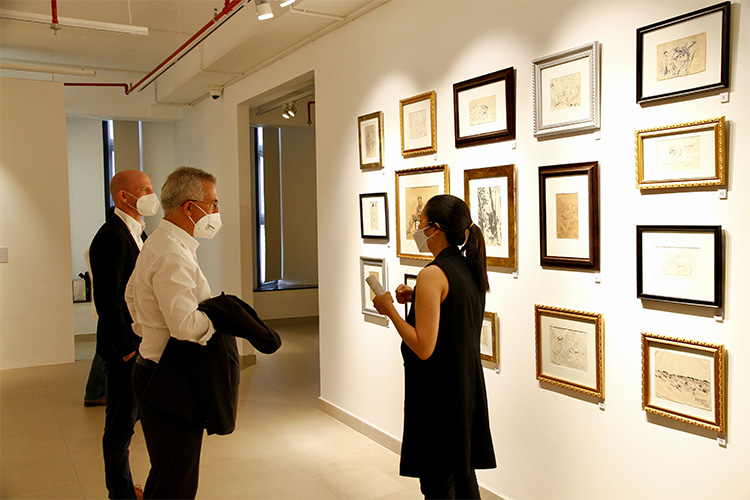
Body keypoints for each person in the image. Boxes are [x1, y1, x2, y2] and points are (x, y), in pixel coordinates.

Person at [373, 194, 496, 499]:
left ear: (436, 229)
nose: (418, 228)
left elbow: (423, 346)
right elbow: (453, 312)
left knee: (438, 484)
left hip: (438, 396)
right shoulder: (469, 268)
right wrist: (417, 296)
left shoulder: (432, 273)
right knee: (464, 478)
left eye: (421, 222)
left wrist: (389, 309)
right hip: (465, 388)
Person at [127, 166, 223, 499]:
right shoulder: (171, 252)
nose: (216, 211)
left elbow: (130, 296)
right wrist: (219, 318)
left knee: (166, 470)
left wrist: (147, 329)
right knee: (177, 481)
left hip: (155, 368)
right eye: (212, 203)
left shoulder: (160, 242)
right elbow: (185, 326)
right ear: (189, 207)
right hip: (168, 377)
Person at [89, 170, 160, 499]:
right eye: (144, 189)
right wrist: (127, 348)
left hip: (143, 344)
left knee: (142, 420)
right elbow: (108, 300)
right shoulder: (111, 237)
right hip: (125, 350)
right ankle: (121, 494)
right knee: (120, 427)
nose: (151, 195)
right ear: (123, 196)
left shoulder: (139, 233)